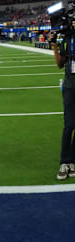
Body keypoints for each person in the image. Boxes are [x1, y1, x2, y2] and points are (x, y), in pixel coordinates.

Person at [49, 30, 75, 180]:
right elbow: (60, 63)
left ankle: (71, 161)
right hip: (70, 85)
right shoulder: (68, 38)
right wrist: (54, 46)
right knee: (69, 124)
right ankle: (64, 161)